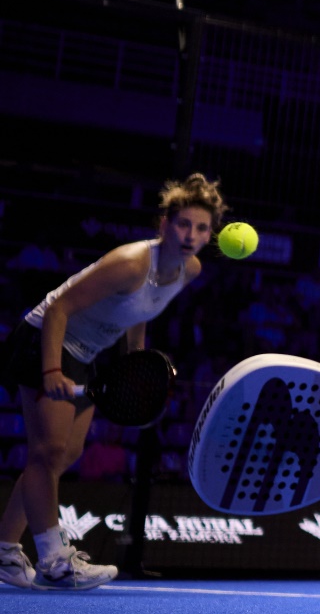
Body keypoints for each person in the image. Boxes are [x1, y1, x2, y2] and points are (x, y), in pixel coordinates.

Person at [0, 173, 227, 591]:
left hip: (87, 353)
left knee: (65, 453)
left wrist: (134, 368)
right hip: (45, 340)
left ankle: (3, 549)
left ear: (210, 233)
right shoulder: (130, 263)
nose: (191, 235)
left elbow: (142, 311)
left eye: (201, 227)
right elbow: (59, 308)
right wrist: (51, 370)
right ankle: (53, 560)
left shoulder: (189, 270)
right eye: (183, 224)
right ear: (164, 224)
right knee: (46, 451)